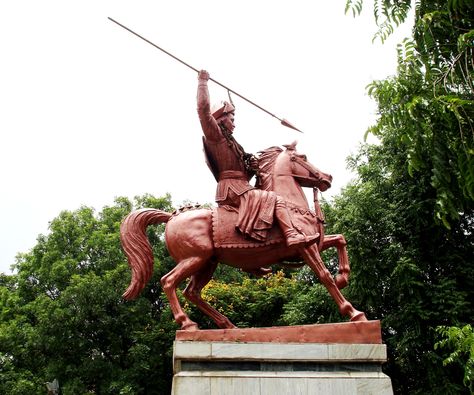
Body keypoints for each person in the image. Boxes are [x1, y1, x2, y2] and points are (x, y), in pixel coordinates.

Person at [197, 70, 318, 247]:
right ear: (221, 119)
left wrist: (251, 168)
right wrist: (202, 83)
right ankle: (291, 235)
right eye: (231, 118)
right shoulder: (215, 136)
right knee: (276, 199)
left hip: (241, 185)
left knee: (266, 199)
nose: (234, 122)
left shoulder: (233, 143)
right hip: (231, 189)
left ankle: (253, 255)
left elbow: (243, 173)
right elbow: (203, 111)